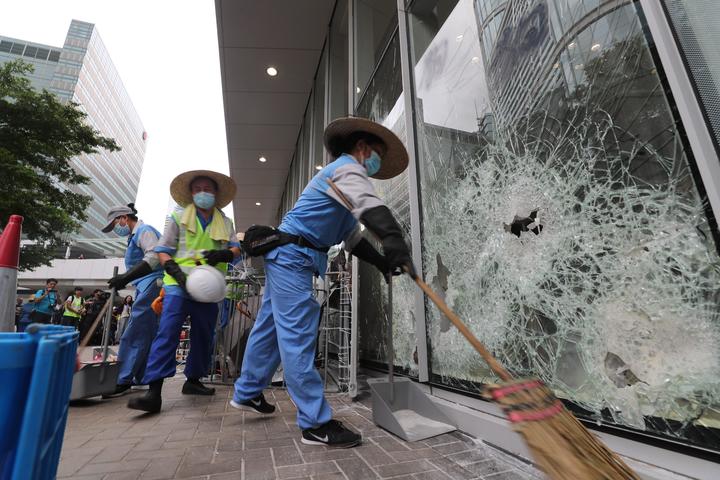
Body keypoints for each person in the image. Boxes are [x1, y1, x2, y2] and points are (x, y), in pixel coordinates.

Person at [232, 117, 414, 448]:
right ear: (361, 148)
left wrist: (384, 263)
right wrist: (395, 242)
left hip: (290, 257)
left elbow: (352, 240)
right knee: (298, 337)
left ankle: (246, 391)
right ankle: (315, 423)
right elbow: (372, 209)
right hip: (292, 258)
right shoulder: (347, 168)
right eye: (374, 155)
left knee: (271, 329)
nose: (373, 165)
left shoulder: (341, 189)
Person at [127, 170, 242, 413]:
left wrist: (225, 254)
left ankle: (193, 381)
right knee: (167, 333)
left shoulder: (225, 222)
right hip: (178, 285)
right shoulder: (177, 217)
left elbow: (236, 248)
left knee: (204, 335)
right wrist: (172, 267)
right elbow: (163, 249)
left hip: (209, 287)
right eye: (198, 189)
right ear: (190, 193)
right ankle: (154, 391)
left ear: (216, 193)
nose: (203, 193)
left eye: (208, 189)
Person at [100, 203, 164, 398]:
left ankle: (123, 378)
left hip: (153, 283)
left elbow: (154, 256)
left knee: (135, 331)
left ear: (123, 218)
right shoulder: (134, 237)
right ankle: (141, 375)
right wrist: (127, 279)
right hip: (146, 285)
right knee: (146, 333)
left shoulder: (144, 231)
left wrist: (125, 277)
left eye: (115, 224)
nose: (116, 229)